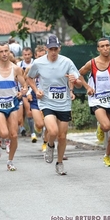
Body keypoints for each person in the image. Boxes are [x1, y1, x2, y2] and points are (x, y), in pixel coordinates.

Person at [26, 35, 79, 175]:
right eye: (51, 49)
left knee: (62, 136)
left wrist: (74, 81)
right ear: (46, 49)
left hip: (64, 103)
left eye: (56, 49)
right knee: (53, 131)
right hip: (47, 102)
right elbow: (29, 78)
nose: (53, 52)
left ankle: (60, 162)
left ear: (59, 48)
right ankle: (50, 146)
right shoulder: (38, 63)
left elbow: (77, 79)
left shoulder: (67, 62)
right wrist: (36, 90)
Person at [78, 38, 110, 167]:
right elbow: (78, 74)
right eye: (102, 46)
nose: (105, 48)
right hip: (96, 99)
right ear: (98, 49)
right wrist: (88, 87)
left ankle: (107, 156)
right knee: (106, 127)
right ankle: (100, 126)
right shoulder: (92, 63)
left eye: (107, 46)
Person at [0, 42, 27, 170]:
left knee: (14, 135)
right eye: (1, 52)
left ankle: (10, 161)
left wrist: (22, 92)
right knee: (4, 133)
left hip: (12, 103)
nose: (4, 54)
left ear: (9, 52)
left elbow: (24, 86)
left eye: (6, 51)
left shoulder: (16, 68)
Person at [17, 47, 36, 142]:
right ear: (22, 55)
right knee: (23, 115)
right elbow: (17, 78)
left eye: (29, 54)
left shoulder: (36, 63)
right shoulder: (19, 65)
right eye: (25, 54)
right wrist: (21, 90)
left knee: (29, 112)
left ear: (32, 54)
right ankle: (23, 128)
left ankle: (33, 132)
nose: (27, 56)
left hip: (34, 89)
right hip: (23, 90)